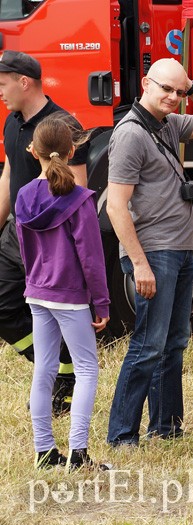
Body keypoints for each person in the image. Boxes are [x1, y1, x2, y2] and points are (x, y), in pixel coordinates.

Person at [106, 58, 193, 447]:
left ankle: (166, 428)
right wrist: (139, 263)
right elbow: (115, 206)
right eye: (166, 89)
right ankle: (122, 436)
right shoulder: (130, 134)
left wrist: (192, 88)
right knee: (148, 345)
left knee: (174, 342)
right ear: (145, 83)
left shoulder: (169, 124)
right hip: (155, 253)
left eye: (179, 92)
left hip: (180, 250)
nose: (173, 98)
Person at [15, 114, 110, 469]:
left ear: (33, 151)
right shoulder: (80, 199)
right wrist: (101, 301)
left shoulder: (24, 196)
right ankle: (78, 453)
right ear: (72, 151)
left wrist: (34, 280)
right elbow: (91, 257)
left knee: (44, 369)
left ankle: (44, 452)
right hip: (69, 296)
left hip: (37, 291)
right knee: (86, 368)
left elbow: (25, 250)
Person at [0, 50, 89, 416]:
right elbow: (8, 177)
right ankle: (51, 368)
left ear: (24, 82)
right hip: (14, 234)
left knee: (50, 315)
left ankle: (64, 378)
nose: (0, 92)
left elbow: (78, 191)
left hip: (48, 240)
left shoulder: (63, 125)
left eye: (3, 84)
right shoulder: (11, 122)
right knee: (3, 307)